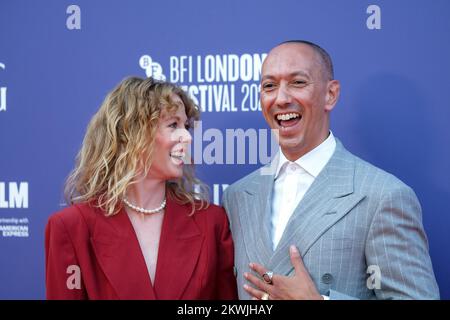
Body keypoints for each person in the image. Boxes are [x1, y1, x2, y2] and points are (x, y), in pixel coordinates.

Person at [222, 40, 440, 300]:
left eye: (298, 82)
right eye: (269, 86)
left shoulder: (383, 195)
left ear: (331, 94)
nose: (281, 98)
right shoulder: (237, 196)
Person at [45, 76, 238, 300]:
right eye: (173, 125)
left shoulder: (212, 222)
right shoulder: (71, 227)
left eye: (186, 126)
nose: (187, 137)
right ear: (131, 133)